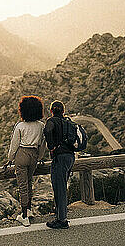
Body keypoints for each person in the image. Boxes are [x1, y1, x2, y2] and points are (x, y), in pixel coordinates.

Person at [6, 95, 46, 227]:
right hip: (34, 155)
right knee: (29, 183)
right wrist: (39, 157)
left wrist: (10, 159)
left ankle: (24, 216)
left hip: (22, 154)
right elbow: (42, 144)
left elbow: (14, 144)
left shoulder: (20, 126)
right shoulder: (41, 126)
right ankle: (29, 210)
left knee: (22, 185)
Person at [44, 100, 75, 229]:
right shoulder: (68, 121)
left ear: (51, 111)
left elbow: (47, 131)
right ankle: (60, 214)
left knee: (59, 188)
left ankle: (62, 220)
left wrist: (51, 147)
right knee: (62, 185)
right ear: (63, 111)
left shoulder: (51, 121)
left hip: (60, 158)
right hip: (70, 157)